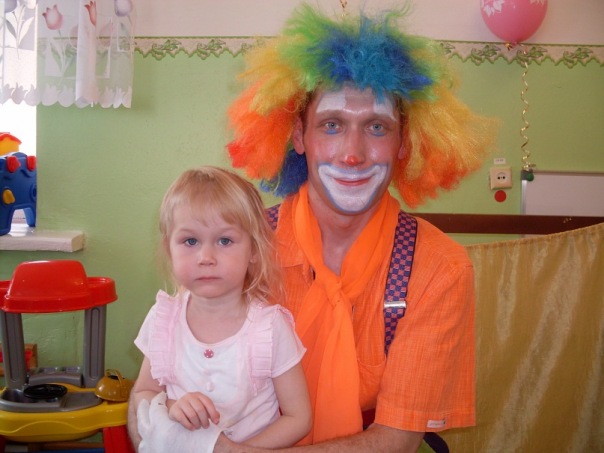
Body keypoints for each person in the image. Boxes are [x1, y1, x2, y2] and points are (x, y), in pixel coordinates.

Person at [217, 3, 498, 453]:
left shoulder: (438, 268)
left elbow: (395, 440)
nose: (352, 154)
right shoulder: (240, 247)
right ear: (299, 136)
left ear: (404, 142)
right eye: (332, 125)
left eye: (376, 127)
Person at [127, 167, 312, 452]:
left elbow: (299, 418)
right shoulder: (163, 320)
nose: (206, 257)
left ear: (254, 250)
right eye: (190, 241)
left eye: (225, 241)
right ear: (169, 248)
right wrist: (171, 406)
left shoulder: (269, 329)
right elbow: (144, 392)